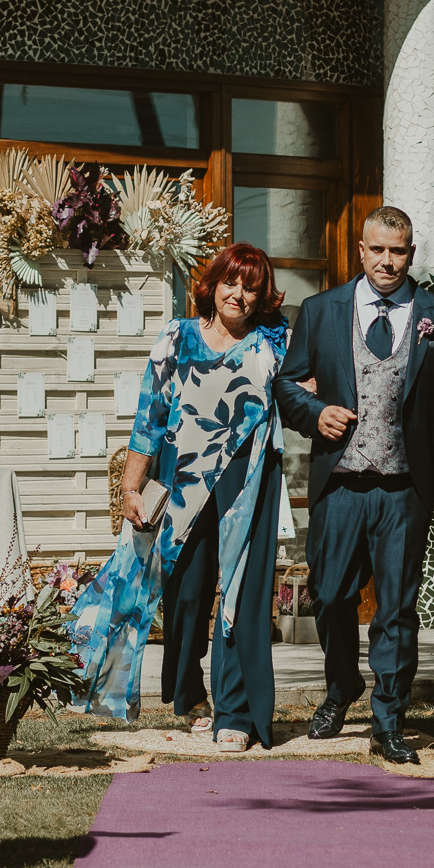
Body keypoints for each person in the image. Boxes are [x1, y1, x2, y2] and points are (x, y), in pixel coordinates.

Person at [275, 207, 434, 765]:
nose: (388, 261)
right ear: (361, 251)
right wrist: (316, 413)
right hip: (339, 485)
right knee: (329, 595)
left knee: (397, 610)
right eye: (379, 250)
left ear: (411, 254)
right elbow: (286, 386)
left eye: (399, 251)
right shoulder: (321, 311)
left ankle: (389, 720)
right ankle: (342, 685)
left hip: (404, 489)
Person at [70, 243, 288, 752]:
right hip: (182, 483)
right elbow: (149, 418)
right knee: (186, 596)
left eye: (251, 287)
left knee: (237, 592)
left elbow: (302, 390)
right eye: (231, 282)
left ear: (262, 296)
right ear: (213, 284)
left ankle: (234, 711)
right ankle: (190, 694)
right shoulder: (177, 337)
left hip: (245, 482)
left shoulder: (274, 342)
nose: (239, 294)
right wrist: (131, 487)